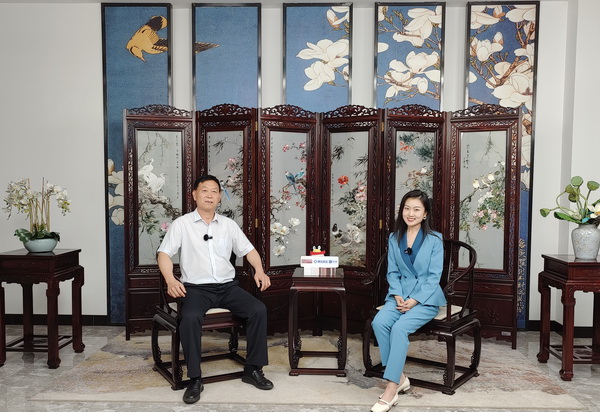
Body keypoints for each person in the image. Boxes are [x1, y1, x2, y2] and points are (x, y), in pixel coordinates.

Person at [157, 174, 273, 404]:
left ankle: (253, 369)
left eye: (214, 191)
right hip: (197, 289)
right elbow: (164, 254)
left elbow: (249, 250)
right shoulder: (182, 224)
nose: (209, 195)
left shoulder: (228, 225)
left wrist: (259, 270)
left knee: (258, 310)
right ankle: (195, 379)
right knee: (190, 318)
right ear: (194, 195)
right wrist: (170, 279)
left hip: (228, 288)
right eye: (204, 190)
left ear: (219, 197)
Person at [370, 190, 445, 412]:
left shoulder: (435, 239)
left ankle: (391, 389)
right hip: (399, 296)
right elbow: (392, 272)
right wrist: (397, 294)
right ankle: (401, 377)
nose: (410, 213)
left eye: (416, 209)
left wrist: (415, 300)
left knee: (399, 328)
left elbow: (434, 277)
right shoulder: (394, 238)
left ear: (425, 214)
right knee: (379, 322)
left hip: (425, 299)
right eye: (406, 208)